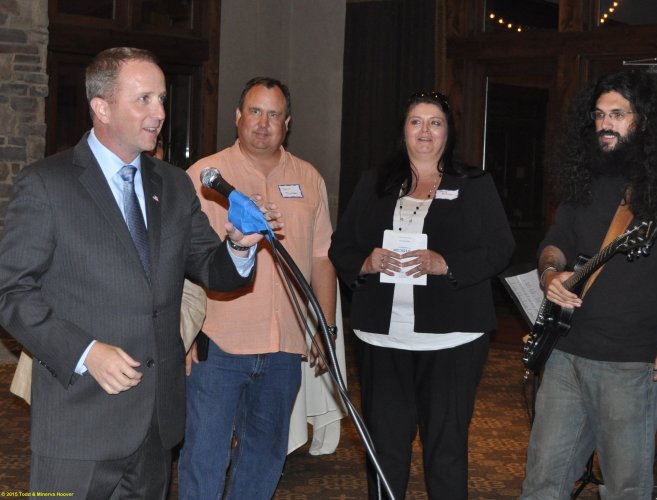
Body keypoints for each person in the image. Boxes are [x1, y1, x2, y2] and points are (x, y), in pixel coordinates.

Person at [0, 47, 280, 498]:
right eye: (144, 99)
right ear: (101, 107)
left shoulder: (173, 184)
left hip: (155, 424)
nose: (160, 113)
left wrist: (239, 246)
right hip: (79, 422)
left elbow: (213, 269)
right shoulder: (47, 184)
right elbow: (11, 293)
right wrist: (86, 352)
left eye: (162, 99)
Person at [520, 71, 657, 499]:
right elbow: (555, 242)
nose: (605, 124)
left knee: (625, 491)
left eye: (618, 114)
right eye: (599, 115)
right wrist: (550, 273)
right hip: (565, 356)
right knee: (541, 485)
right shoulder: (583, 180)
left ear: (643, 120)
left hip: (632, 369)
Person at [329, 91, 514, 499]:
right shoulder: (373, 183)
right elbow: (340, 247)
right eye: (416, 121)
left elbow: (501, 248)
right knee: (385, 448)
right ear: (404, 130)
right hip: (382, 338)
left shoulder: (474, 184)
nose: (425, 131)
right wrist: (366, 262)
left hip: (452, 338)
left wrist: (446, 263)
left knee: (445, 451)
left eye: (435, 122)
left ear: (448, 131)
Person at [180, 76, 337, 499]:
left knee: (265, 457)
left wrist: (325, 327)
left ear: (287, 123)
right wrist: (182, 330)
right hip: (217, 343)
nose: (263, 124)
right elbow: (179, 259)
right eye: (254, 111)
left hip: (284, 347)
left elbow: (321, 258)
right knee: (205, 457)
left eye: (273, 114)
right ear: (238, 116)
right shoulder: (205, 176)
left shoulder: (309, 179)